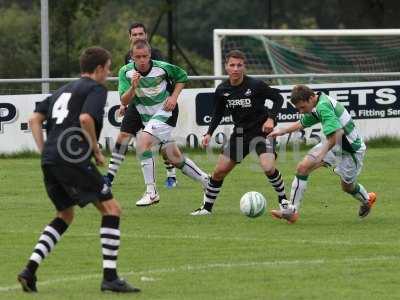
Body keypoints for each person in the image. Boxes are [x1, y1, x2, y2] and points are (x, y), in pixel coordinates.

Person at [17, 47, 139, 293]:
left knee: (65, 214)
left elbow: (34, 119)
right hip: (73, 158)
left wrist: (45, 150)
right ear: (98, 69)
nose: (109, 72)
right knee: (112, 209)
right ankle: (110, 277)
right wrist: (95, 149)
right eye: (108, 68)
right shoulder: (95, 89)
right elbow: (85, 119)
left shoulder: (62, 89)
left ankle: (29, 271)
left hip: (51, 159)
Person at [191, 50, 288, 216]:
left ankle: (284, 201)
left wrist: (271, 119)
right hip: (241, 134)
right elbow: (218, 113)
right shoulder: (222, 90)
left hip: (262, 132)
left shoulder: (256, 85)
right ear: (226, 67)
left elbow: (278, 98)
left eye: (239, 65)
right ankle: (206, 208)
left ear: (244, 67)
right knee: (219, 171)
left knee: (268, 166)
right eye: (232, 65)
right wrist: (209, 133)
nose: (235, 68)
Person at [268, 84, 377, 224]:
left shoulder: (323, 106)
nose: (301, 111)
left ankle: (367, 200)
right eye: (298, 108)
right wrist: (282, 131)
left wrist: (321, 154)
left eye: (302, 107)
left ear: (311, 97)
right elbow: (303, 122)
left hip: (351, 151)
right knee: (303, 167)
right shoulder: (318, 102)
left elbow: (337, 134)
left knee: (347, 187)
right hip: (336, 145)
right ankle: (291, 211)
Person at [120, 39, 208, 206]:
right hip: (148, 118)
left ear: (150, 55)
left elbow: (182, 76)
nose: (142, 60)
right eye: (138, 57)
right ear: (132, 57)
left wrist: (174, 97)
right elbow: (124, 99)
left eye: (145, 56)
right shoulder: (125, 72)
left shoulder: (162, 67)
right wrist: (133, 87)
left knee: (142, 143)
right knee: (173, 157)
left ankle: (151, 192)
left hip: (166, 113)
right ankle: (206, 181)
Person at [104, 22, 178, 189]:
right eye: (134, 34)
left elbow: (168, 78)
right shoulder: (127, 59)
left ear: (146, 35)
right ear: (130, 37)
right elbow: (128, 85)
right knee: (123, 136)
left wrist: (171, 98)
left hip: (157, 105)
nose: (138, 37)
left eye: (140, 34)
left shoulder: (156, 55)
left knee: (162, 145)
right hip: (137, 105)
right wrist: (124, 104)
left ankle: (171, 175)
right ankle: (109, 177)